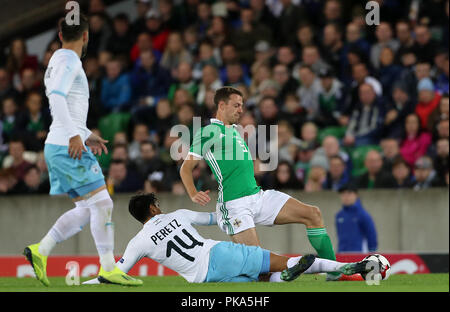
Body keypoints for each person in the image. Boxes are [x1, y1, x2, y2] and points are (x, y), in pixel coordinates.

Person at [23, 14, 142, 287]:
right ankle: (109, 268)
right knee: (102, 203)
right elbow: (57, 98)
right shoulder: (68, 60)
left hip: (61, 142)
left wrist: (86, 134)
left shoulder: (57, 59)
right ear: (86, 36)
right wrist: (77, 136)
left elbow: (63, 106)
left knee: (90, 207)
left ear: (60, 33)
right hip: (66, 144)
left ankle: (41, 250)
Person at [180, 86, 345, 281]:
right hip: (234, 205)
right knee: (258, 263)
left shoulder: (234, 130)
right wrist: (192, 192)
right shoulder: (209, 131)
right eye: (236, 105)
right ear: (222, 105)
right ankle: (270, 274)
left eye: (242, 105)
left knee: (312, 214)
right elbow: (186, 167)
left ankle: (335, 274)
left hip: (257, 197)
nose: (241, 109)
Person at [83, 193, 374, 284]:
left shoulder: (138, 242)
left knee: (260, 281)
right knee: (284, 261)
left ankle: (284, 278)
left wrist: (88, 283)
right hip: (219, 253)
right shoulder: (179, 215)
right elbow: (216, 218)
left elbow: (115, 274)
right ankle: (347, 267)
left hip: (202, 279)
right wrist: (238, 210)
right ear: (153, 208)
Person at [335, 184, 378, 253]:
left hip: (359, 255)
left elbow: (371, 236)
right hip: (342, 254)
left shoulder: (363, 215)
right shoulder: (339, 215)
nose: (346, 197)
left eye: (349, 193)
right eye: (343, 194)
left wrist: (372, 254)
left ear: (356, 195)